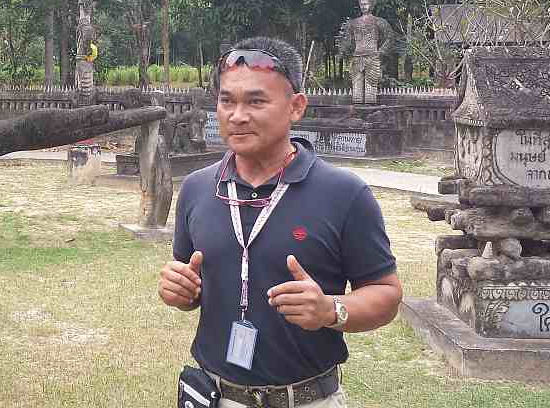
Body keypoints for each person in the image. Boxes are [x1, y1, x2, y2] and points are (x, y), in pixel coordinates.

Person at [159, 37, 401, 408]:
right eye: (227, 101)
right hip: (215, 395)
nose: (237, 115)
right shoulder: (197, 189)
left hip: (305, 398)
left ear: (296, 107)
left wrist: (329, 311)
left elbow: (386, 294)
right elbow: (192, 287)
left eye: (256, 101)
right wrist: (182, 294)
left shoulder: (344, 194)